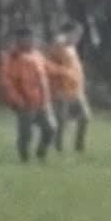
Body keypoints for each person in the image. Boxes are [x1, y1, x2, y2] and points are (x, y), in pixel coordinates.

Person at [0, 27, 55, 164]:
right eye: (26, 39)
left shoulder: (37, 55)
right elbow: (6, 83)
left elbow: (48, 70)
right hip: (25, 102)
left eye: (31, 38)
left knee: (51, 129)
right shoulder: (11, 58)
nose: (30, 41)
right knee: (26, 134)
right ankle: (24, 159)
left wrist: (67, 73)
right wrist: (17, 100)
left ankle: (41, 153)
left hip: (42, 101)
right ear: (19, 40)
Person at [45, 21, 91, 154]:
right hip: (61, 90)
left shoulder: (71, 48)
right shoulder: (58, 46)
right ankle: (58, 147)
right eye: (77, 34)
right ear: (68, 32)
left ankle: (79, 146)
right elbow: (47, 65)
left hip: (76, 90)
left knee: (85, 117)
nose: (79, 37)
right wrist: (64, 73)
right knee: (61, 121)